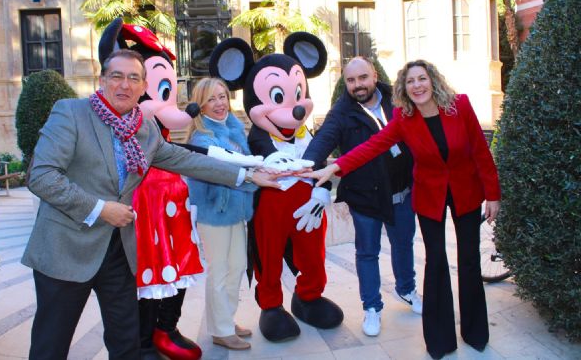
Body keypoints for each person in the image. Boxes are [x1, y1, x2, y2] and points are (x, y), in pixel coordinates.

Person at [21, 49, 280, 360]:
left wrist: (247, 175)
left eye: (133, 78)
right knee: (51, 345)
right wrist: (99, 208)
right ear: (102, 80)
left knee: (126, 342)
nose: (124, 85)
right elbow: (41, 176)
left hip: (119, 250)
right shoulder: (71, 112)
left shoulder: (144, 129)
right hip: (66, 246)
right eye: (116, 76)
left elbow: (186, 160)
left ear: (143, 86)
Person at [301, 59, 500, 359]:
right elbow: (373, 146)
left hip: (466, 191)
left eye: (422, 79)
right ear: (404, 89)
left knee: (469, 261)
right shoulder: (404, 119)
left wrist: (493, 194)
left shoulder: (460, 105)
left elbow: (480, 152)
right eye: (410, 82)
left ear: (433, 80)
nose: (417, 85)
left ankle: (475, 332)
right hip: (430, 195)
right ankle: (440, 341)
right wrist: (335, 167)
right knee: (436, 263)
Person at [301, 56, 421, 337]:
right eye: (351, 80)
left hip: (403, 194)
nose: (357, 85)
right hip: (365, 199)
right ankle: (372, 307)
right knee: (367, 253)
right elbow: (320, 144)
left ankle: (407, 290)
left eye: (362, 78)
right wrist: (305, 169)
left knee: (404, 244)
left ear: (375, 75)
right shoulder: (341, 113)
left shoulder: (398, 99)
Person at [185, 78, 256, 350]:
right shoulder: (202, 137)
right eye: (212, 99)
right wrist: (253, 178)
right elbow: (215, 175)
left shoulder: (234, 129)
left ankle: (225, 319)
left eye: (222, 96)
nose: (219, 103)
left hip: (236, 211)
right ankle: (221, 330)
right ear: (200, 105)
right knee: (219, 270)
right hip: (214, 213)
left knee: (237, 266)